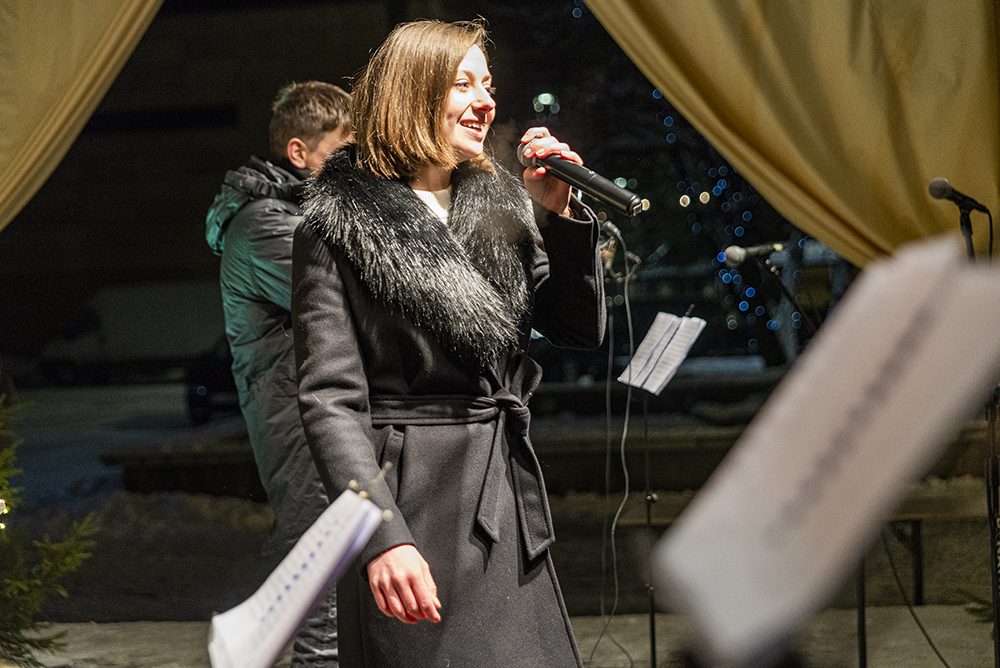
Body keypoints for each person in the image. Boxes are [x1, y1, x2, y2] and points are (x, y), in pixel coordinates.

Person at [291, 19, 605, 668]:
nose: (486, 101)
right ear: (410, 93)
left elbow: (578, 329)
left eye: (487, 84)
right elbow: (329, 401)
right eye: (464, 85)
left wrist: (558, 215)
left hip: (499, 488)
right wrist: (380, 535)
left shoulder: (500, 204)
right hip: (412, 503)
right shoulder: (336, 225)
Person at [204, 80, 352, 668]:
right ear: (298, 152)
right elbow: (351, 291)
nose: (358, 166)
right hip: (298, 424)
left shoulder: (296, 214)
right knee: (322, 583)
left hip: (318, 416)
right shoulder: (263, 226)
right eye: (343, 152)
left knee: (340, 578)